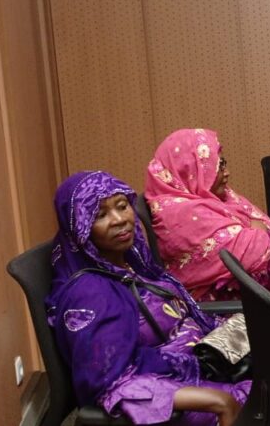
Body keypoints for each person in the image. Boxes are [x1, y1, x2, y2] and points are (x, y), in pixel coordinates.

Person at [49, 171, 247, 425]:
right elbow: (113, 383)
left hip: (201, 365)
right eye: (100, 215)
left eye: (122, 206)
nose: (119, 220)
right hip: (176, 393)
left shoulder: (131, 262)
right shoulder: (91, 295)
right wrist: (219, 401)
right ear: (80, 229)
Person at [145, 129, 270, 333]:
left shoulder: (212, 198)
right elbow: (255, 251)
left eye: (223, 163)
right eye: (217, 167)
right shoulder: (180, 215)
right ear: (190, 170)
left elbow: (261, 231)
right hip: (226, 317)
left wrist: (256, 230)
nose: (226, 172)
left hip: (252, 301)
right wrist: (256, 230)